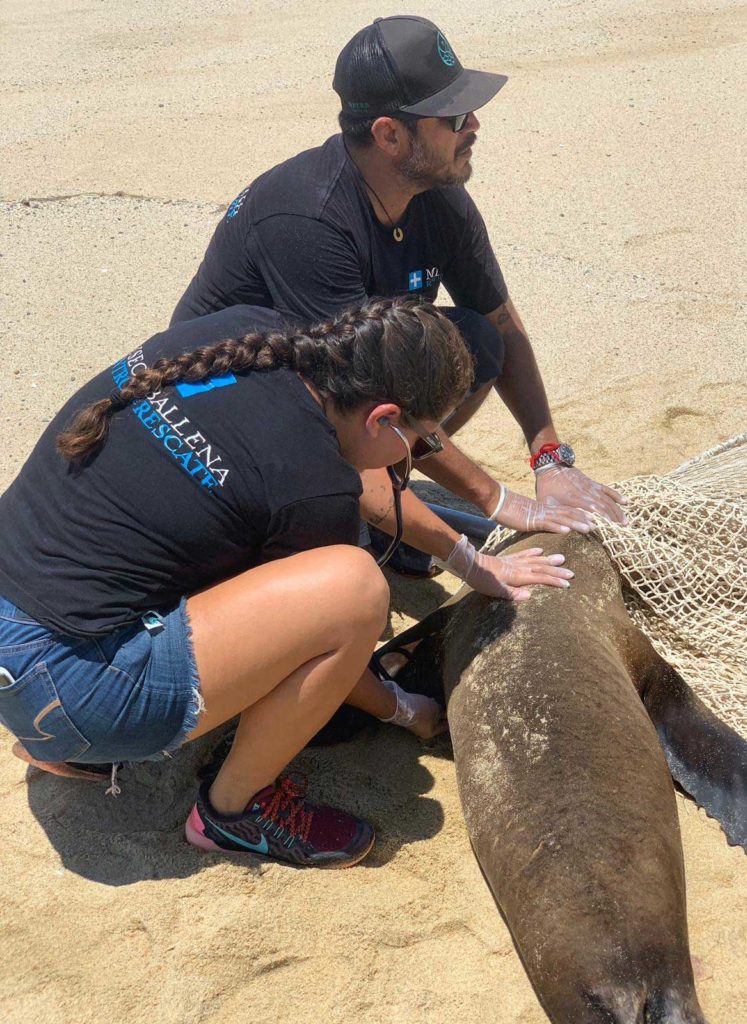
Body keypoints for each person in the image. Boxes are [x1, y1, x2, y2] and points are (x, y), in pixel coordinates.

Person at [0, 299, 574, 869]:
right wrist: (403, 709)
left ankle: (69, 743)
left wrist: (469, 560)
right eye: (420, 444)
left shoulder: (250, 335)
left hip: (18, 606)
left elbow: (359, 485)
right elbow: (333, 641)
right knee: (356, 591)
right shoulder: (311, 490)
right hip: (69, 689)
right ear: (383, 419)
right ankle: (232, 812)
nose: (414, 457)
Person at [169, 15, 627, 570]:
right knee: (349, 573)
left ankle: (386, 505)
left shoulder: (437, 194)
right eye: (455, 115)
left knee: (476, 343)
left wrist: (550, 456)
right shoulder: (308, 219)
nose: (475, 124)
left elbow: (500, 323)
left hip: (340, 392)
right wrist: (496, 500)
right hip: (227, 417)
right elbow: (359, 401)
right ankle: (367, 515)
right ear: (390, 135)